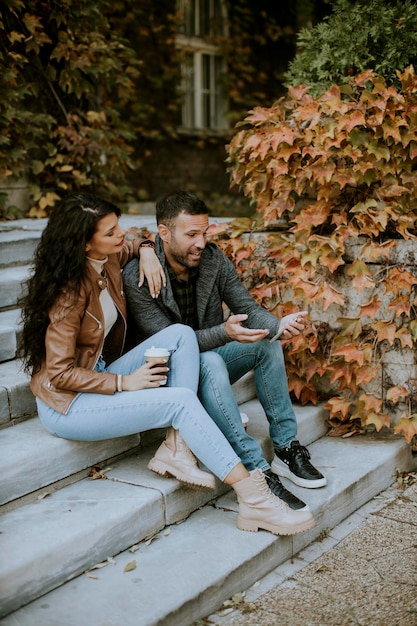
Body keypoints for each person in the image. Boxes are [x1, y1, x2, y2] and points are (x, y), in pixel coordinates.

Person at [18, 192, 315, 537]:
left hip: (100, 372)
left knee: (180, 335)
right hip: (67, 403)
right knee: (182, 402)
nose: (121, 235)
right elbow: (59, 373)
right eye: (112, 232)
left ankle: (177, 444)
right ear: (85, 244)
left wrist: (145, 248)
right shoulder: (69, 292)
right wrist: (122, 384)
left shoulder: (109, 259)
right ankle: (255, 498)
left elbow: (137, 242)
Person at [123, 190, 327, 513]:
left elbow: (246, 309)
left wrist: (278, 326)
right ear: (164, 234)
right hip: (169, 377)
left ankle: (287, 448)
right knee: (213, 362)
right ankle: (256, 470)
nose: (201, 242)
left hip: (210, 359)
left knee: (264, 344)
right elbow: (172, 344)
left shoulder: (213, 261)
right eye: (191, 234)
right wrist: (224, 332)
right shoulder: (139, 275)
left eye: (204, 232)